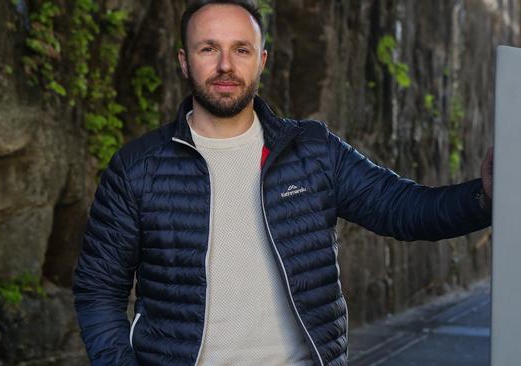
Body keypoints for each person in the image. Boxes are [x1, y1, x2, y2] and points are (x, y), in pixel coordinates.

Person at [72, 0, 493, 365]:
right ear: (184, 60)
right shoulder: (137, 167)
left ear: (262, 60)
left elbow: (405, 210)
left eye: (241, 49)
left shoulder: (312, 151)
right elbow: (98, 290)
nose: (225, 65)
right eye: (208, 49)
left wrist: (485, 195)